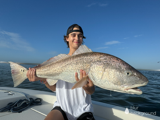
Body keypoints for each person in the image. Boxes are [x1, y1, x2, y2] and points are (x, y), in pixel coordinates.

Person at [27, 24, 95, 120]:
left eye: (80, 35)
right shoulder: (58, 61)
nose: (77, 38)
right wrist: (45, 80)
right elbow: (54, 88)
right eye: (73, 35)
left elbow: (91, 91)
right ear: (67, 38)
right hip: (61, 108)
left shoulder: (90, 60)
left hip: (83, 110)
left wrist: (88, 88)